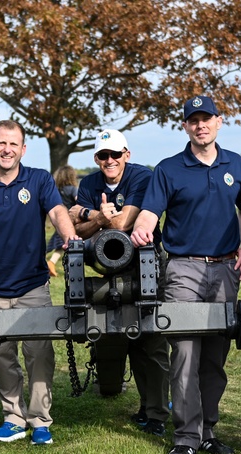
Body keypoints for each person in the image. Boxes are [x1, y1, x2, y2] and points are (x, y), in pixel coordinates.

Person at [130, 95, 241, 454]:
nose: (200, 126)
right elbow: (150, 213)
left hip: (224, 270)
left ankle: (208, 432)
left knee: (215, 357)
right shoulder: (169, 169)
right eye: (193, 120)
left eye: (207, 119)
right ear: (185, 126)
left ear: (219, 122)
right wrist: (140, 230)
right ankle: (185, 436)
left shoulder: (237, 164)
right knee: (185, 352)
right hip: (183, 269)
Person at [0, 120, 79, 446]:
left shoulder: (37, 179)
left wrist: (70, 239)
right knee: (2, 356)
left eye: (14, 144)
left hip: (32, 285)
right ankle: (13, 418)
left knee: (39, 355)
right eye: (1, 143)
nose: (7, 150)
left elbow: (57, 212)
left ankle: (39, 421)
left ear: (23, 149)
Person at [69, 129, 171, 437]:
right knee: (110, 335)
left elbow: (124, 222)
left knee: (150, 344)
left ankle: (154, 412)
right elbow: (79, 229)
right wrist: (96, 217)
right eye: (103, 155)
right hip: (105, 272)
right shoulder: (89, 183)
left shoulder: (142, 177)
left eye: (115, 154)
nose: (110, 160)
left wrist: (88, 215)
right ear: (96, 158)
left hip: (144, 268)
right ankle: (110, 383)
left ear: (127, 154)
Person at [46, 165, 79, 277]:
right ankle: (51, 263)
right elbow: (79, 202)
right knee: (69, 244)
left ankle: (50, 263)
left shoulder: (57, 190)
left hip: (59, 221)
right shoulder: (73, 189)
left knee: (58, 245)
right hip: (70, 222)